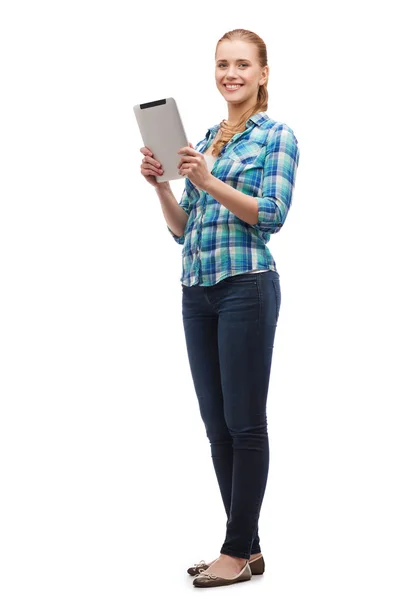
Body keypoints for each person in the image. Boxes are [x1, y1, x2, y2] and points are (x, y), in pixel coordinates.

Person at [140, 28, 300, 588]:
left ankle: (233, 550)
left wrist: (208, 181)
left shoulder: (276, 137)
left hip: (246, 288)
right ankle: (248, 551)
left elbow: (272, 214)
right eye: (222, 64)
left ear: (262, 74)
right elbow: (185, 231)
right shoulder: (206, 139)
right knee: (217, 427)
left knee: (245, 423)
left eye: (242, 64)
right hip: (197, 290)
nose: (230, 73)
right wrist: (163, 186)